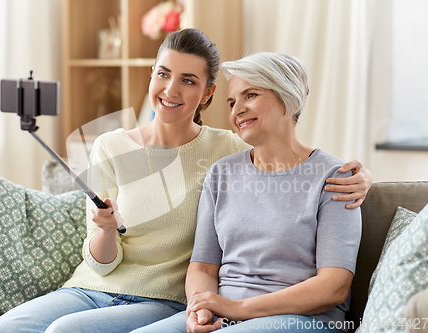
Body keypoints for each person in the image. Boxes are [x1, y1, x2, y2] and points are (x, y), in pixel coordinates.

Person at [0, 30, 369, 333]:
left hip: (164, 299)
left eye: (187, 80)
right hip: (94, 286)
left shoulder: (227, 148)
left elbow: (293, 157)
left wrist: (363, 177)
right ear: (151, 75)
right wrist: (103, 230)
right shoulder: (115, 147)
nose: (170, 90)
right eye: (163, 74)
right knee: (8, 329)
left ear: (207, 93)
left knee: (67, 331)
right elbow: (107, 262)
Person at [131, 52, 362, 333]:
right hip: (224, 314)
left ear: (289, 100)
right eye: (231, 102)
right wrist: (201, 308)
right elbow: (203, 267)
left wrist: (239, 309)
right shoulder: (221, 173)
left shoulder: (335, 178)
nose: (236, 110)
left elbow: (333, 287)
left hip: (299, 320)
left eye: (250, 95)